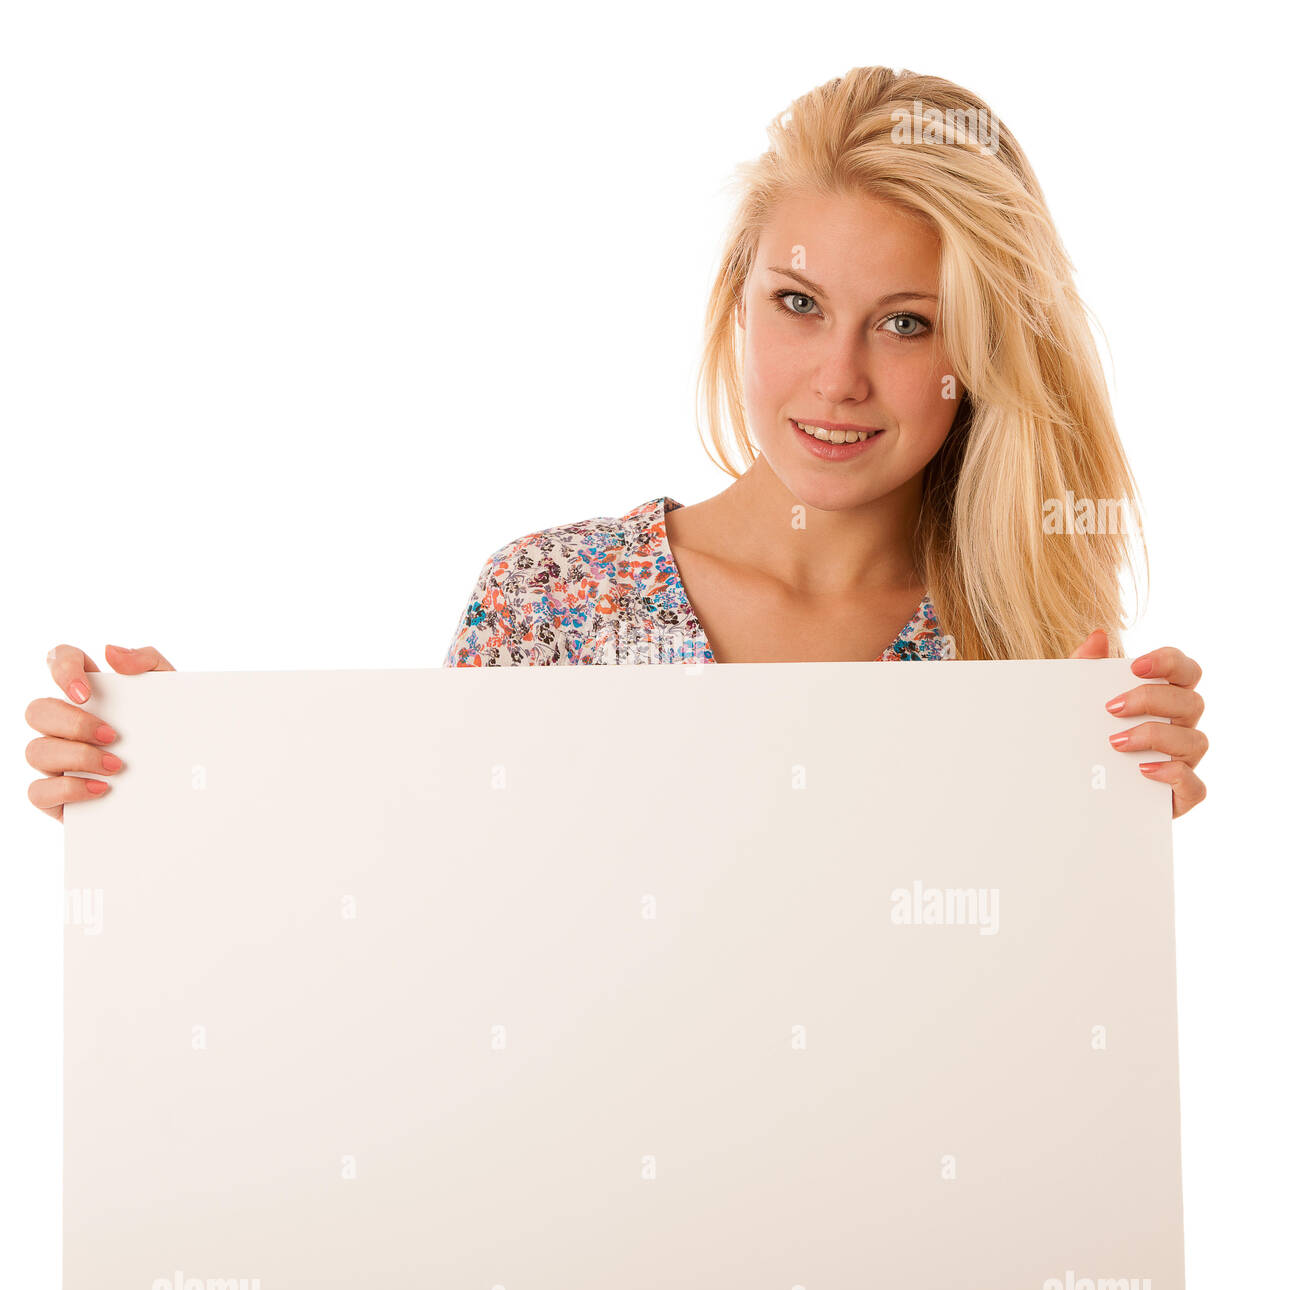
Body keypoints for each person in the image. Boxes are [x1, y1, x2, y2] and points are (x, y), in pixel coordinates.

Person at [25, 65, 1208, 821]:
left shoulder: (1028, 658)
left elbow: (1034, 1055)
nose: (837, 378)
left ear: (984, 354)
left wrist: (1114, 836)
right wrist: (179, 786)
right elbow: (413, 933)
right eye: (797, 304)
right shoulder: (549, 601)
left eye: (905, 324)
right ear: (736, 302)